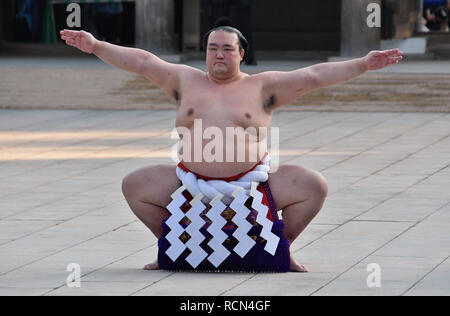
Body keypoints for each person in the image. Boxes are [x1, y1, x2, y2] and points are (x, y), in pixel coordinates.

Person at [60, 26, 403, 272]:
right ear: (205, 52)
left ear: (241, 53)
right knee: (134, 184)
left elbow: (314, 75)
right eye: (212, 48)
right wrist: (95, 46)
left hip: (253, 185)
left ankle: (282, 249)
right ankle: (170, 245)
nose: (219, 54)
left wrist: (363, 63)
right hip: (189, 185)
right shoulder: (184, 80)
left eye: (227, 48)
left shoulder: (263, 86)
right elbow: (144, 62)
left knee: (313, 185)